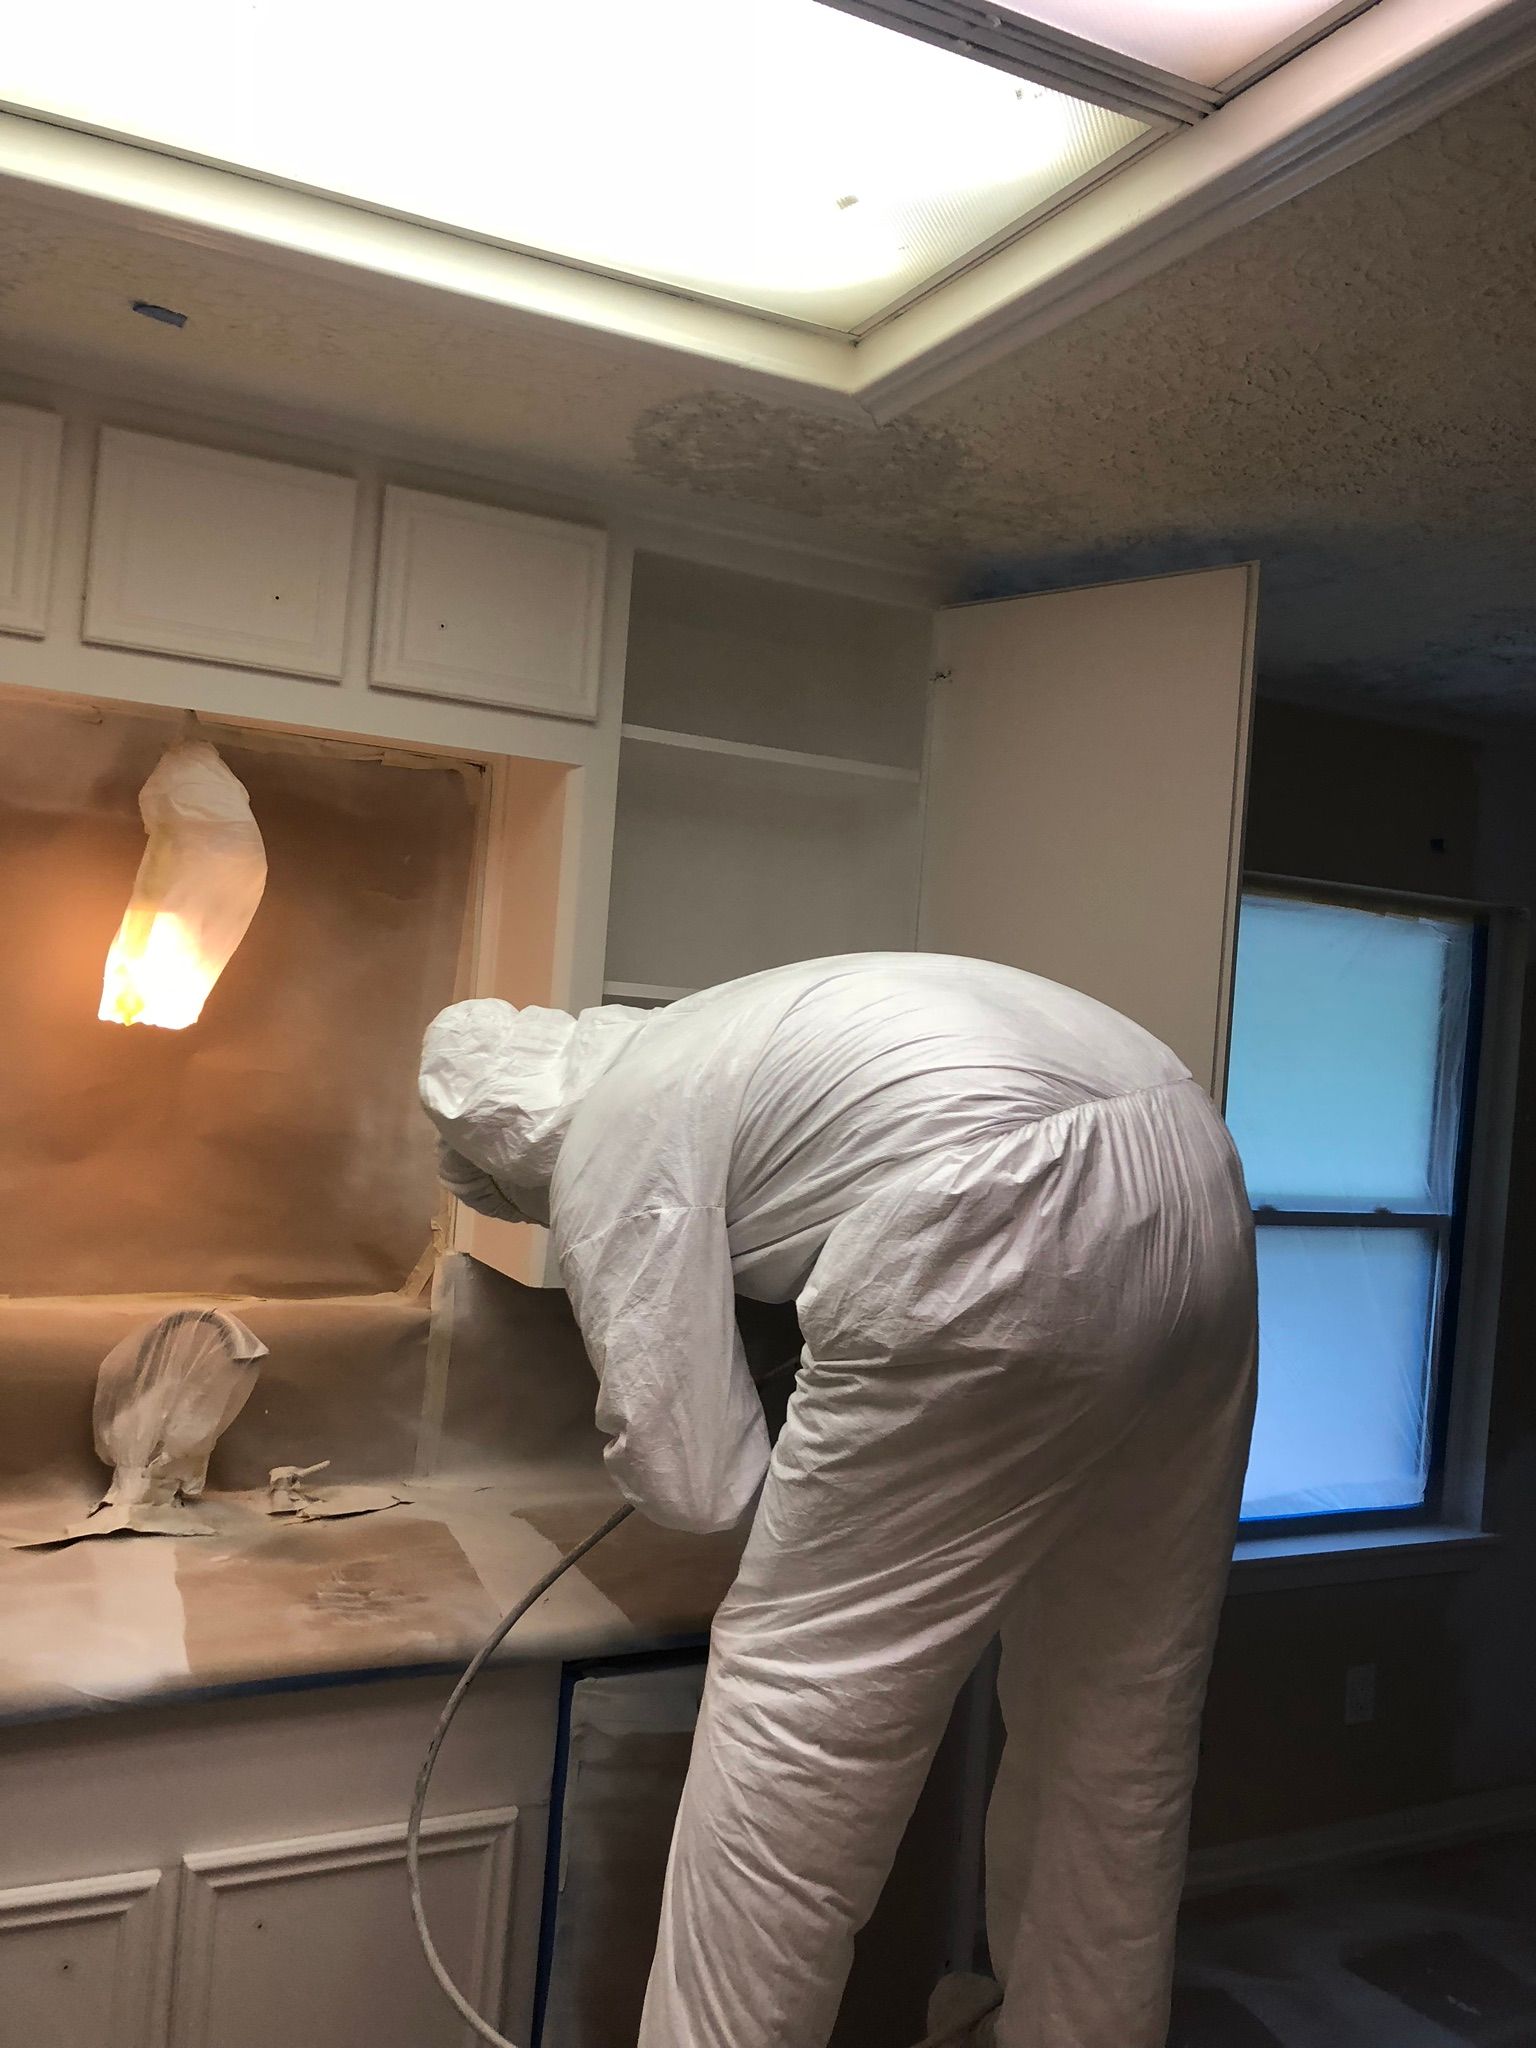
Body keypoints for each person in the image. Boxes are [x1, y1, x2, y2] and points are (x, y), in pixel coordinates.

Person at [418, 952, 1258, 2048]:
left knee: (798, 1713)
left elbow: (696, 1478)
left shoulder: (607, 1131)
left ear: (514, 1148)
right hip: (1193, 1168)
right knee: (1122, 1701)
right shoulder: (705, 1030)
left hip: (990, 1215)